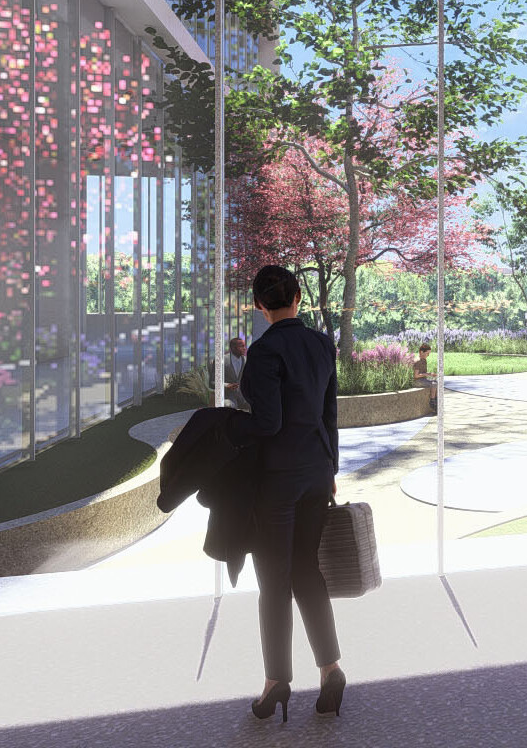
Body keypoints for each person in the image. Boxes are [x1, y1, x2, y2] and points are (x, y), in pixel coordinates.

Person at [232, 265, 346, 722]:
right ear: (299, 296)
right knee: (307, 572)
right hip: (317, 473)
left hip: (276, 481)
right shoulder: (321, 344)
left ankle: (276, 682)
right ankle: (330, 668)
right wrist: (332, 467)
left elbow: (267, 424)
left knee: (273, 583)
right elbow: (330, 414)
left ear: (259, 305)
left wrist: (226, 426)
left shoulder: (263, 352)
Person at [223, 336, 249, 410]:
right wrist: (227, 385)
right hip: (228, 396)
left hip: (244, 396)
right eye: (242, 346)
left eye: (245, 346)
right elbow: (212, 382)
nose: (245, 348)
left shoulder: (246, 360)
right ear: (233, 348)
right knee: (229, 406)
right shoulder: (223, 360)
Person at [414, 342, 436, 411]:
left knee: (437, 382)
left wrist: (430, 374)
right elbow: (416, 376)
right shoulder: (417, 361)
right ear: (421, 352)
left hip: (423, 379)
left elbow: (423, 373)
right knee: (434, 384)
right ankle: (432, 402)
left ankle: (436, 401)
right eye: (427, 353)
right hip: (417, 381)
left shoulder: (424, 360)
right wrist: (427, 374)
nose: (428, 355)